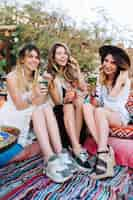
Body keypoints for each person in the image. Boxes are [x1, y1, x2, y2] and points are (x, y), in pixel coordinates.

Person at [0, 43, 74, 183]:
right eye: (30, 57)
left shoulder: (39, 79)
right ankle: (50, 157)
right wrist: (33, 94)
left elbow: (40, 102)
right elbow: (19, 105)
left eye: (37, 57)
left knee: (44, 107)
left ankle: (59, 154)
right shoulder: (12, 77)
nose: (35, 60)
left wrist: (44, 84)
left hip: (29, 118)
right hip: (11, 121)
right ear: (22, 59)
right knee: (39, 110)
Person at [83, 45, 131, 179]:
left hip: (119, 116)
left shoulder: (124, 80)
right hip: (104, 113)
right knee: (86, 106)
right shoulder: (101, 79)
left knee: (99, 112)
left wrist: (118, 83)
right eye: (106, 61)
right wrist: (92, 96)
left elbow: (113, 105)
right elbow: (98, 104)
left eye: (113, 62)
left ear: (118, 65)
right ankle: (104, 151)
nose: (108, 65)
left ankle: (102, 155)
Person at [45, 42, 91, 171]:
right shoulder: (50, 76)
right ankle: (76, 148)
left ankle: (74, 144)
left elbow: (84, 89)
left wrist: (77, 68)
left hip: (76, 123)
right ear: (53, 57)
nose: (63, 56)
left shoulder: (69, 73)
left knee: (79, 101)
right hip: (59, 118)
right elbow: (57, 102)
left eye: (65, 53)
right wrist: (66, 99)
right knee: (68, 106)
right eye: (59, 53)